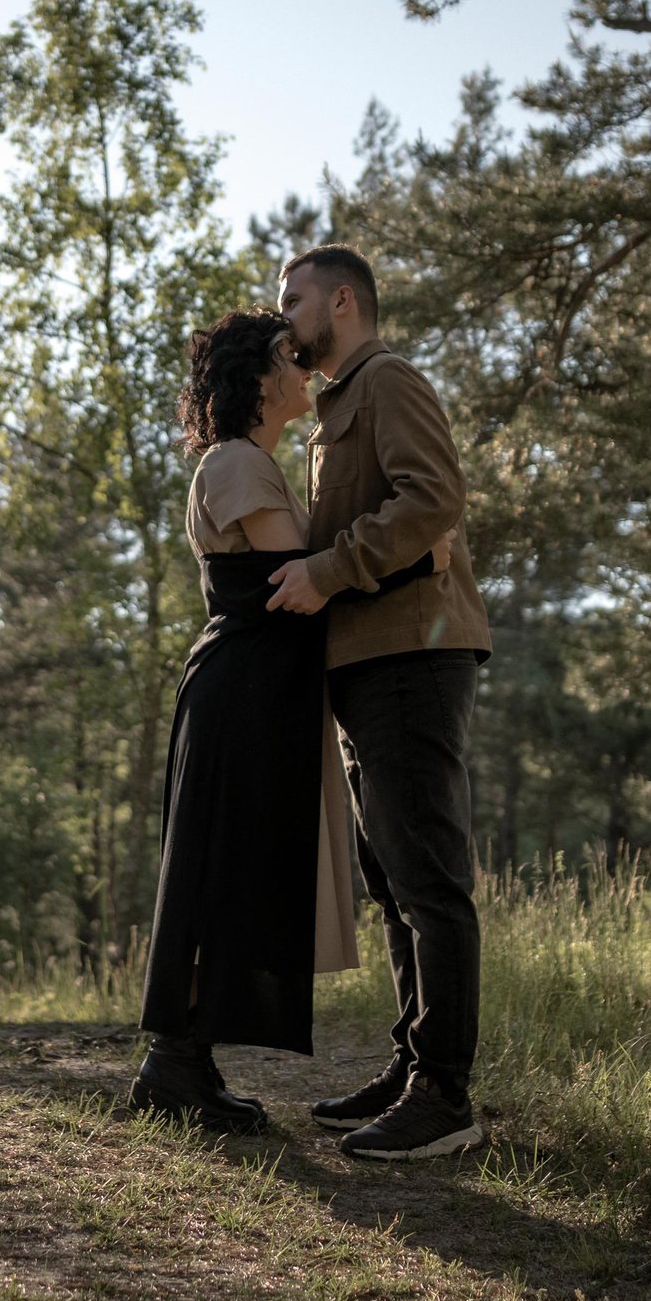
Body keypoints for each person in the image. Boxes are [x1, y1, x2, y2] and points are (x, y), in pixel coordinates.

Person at [132, 309, 434, 1132]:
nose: (304, 369)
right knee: (218, 871)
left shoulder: (251, 463)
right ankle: (174, 1063)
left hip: (255, 693)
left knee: (230, 870)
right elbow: (296, 578)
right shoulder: (235, 463)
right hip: (240, 694)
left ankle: (184, 1060)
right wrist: (413, 552)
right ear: (260, 378)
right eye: (289, 359)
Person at [267, 244, 492, 1161]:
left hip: (413, 655)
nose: (283, 318)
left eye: (294, 299)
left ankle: (445, 1096)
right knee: (394, 883)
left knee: (429, 881)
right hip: (366, 663)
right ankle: (411, 1067)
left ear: (344, 301)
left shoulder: (388, 380)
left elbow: (434, 498)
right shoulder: (332, 408)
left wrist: (327, 568)